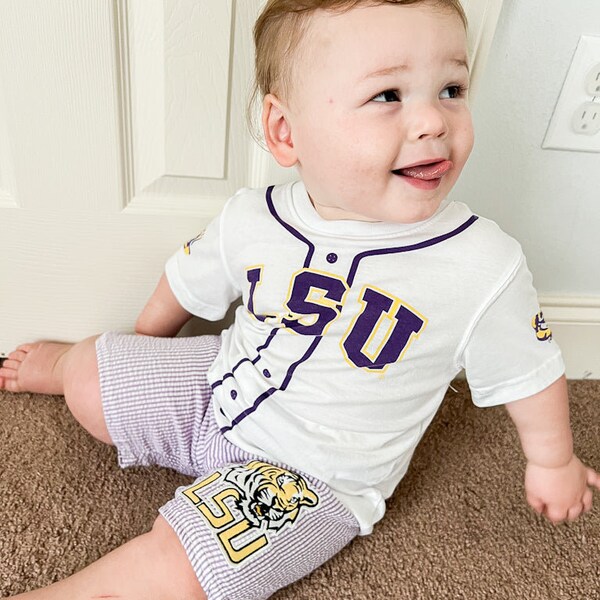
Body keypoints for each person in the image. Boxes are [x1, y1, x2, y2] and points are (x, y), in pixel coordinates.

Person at [1, 1, 599, 598]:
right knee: (90, 373)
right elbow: (186, 280)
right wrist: (143, 345)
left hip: (312, 478)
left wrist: (553, 462)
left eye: (450, 88)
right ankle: (61, 367)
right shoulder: (255, 215)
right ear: (286, 132)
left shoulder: (481, 264)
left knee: (176, 566)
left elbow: (532, 372)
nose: (433, 121)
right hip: (217, 387)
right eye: (388, 95)